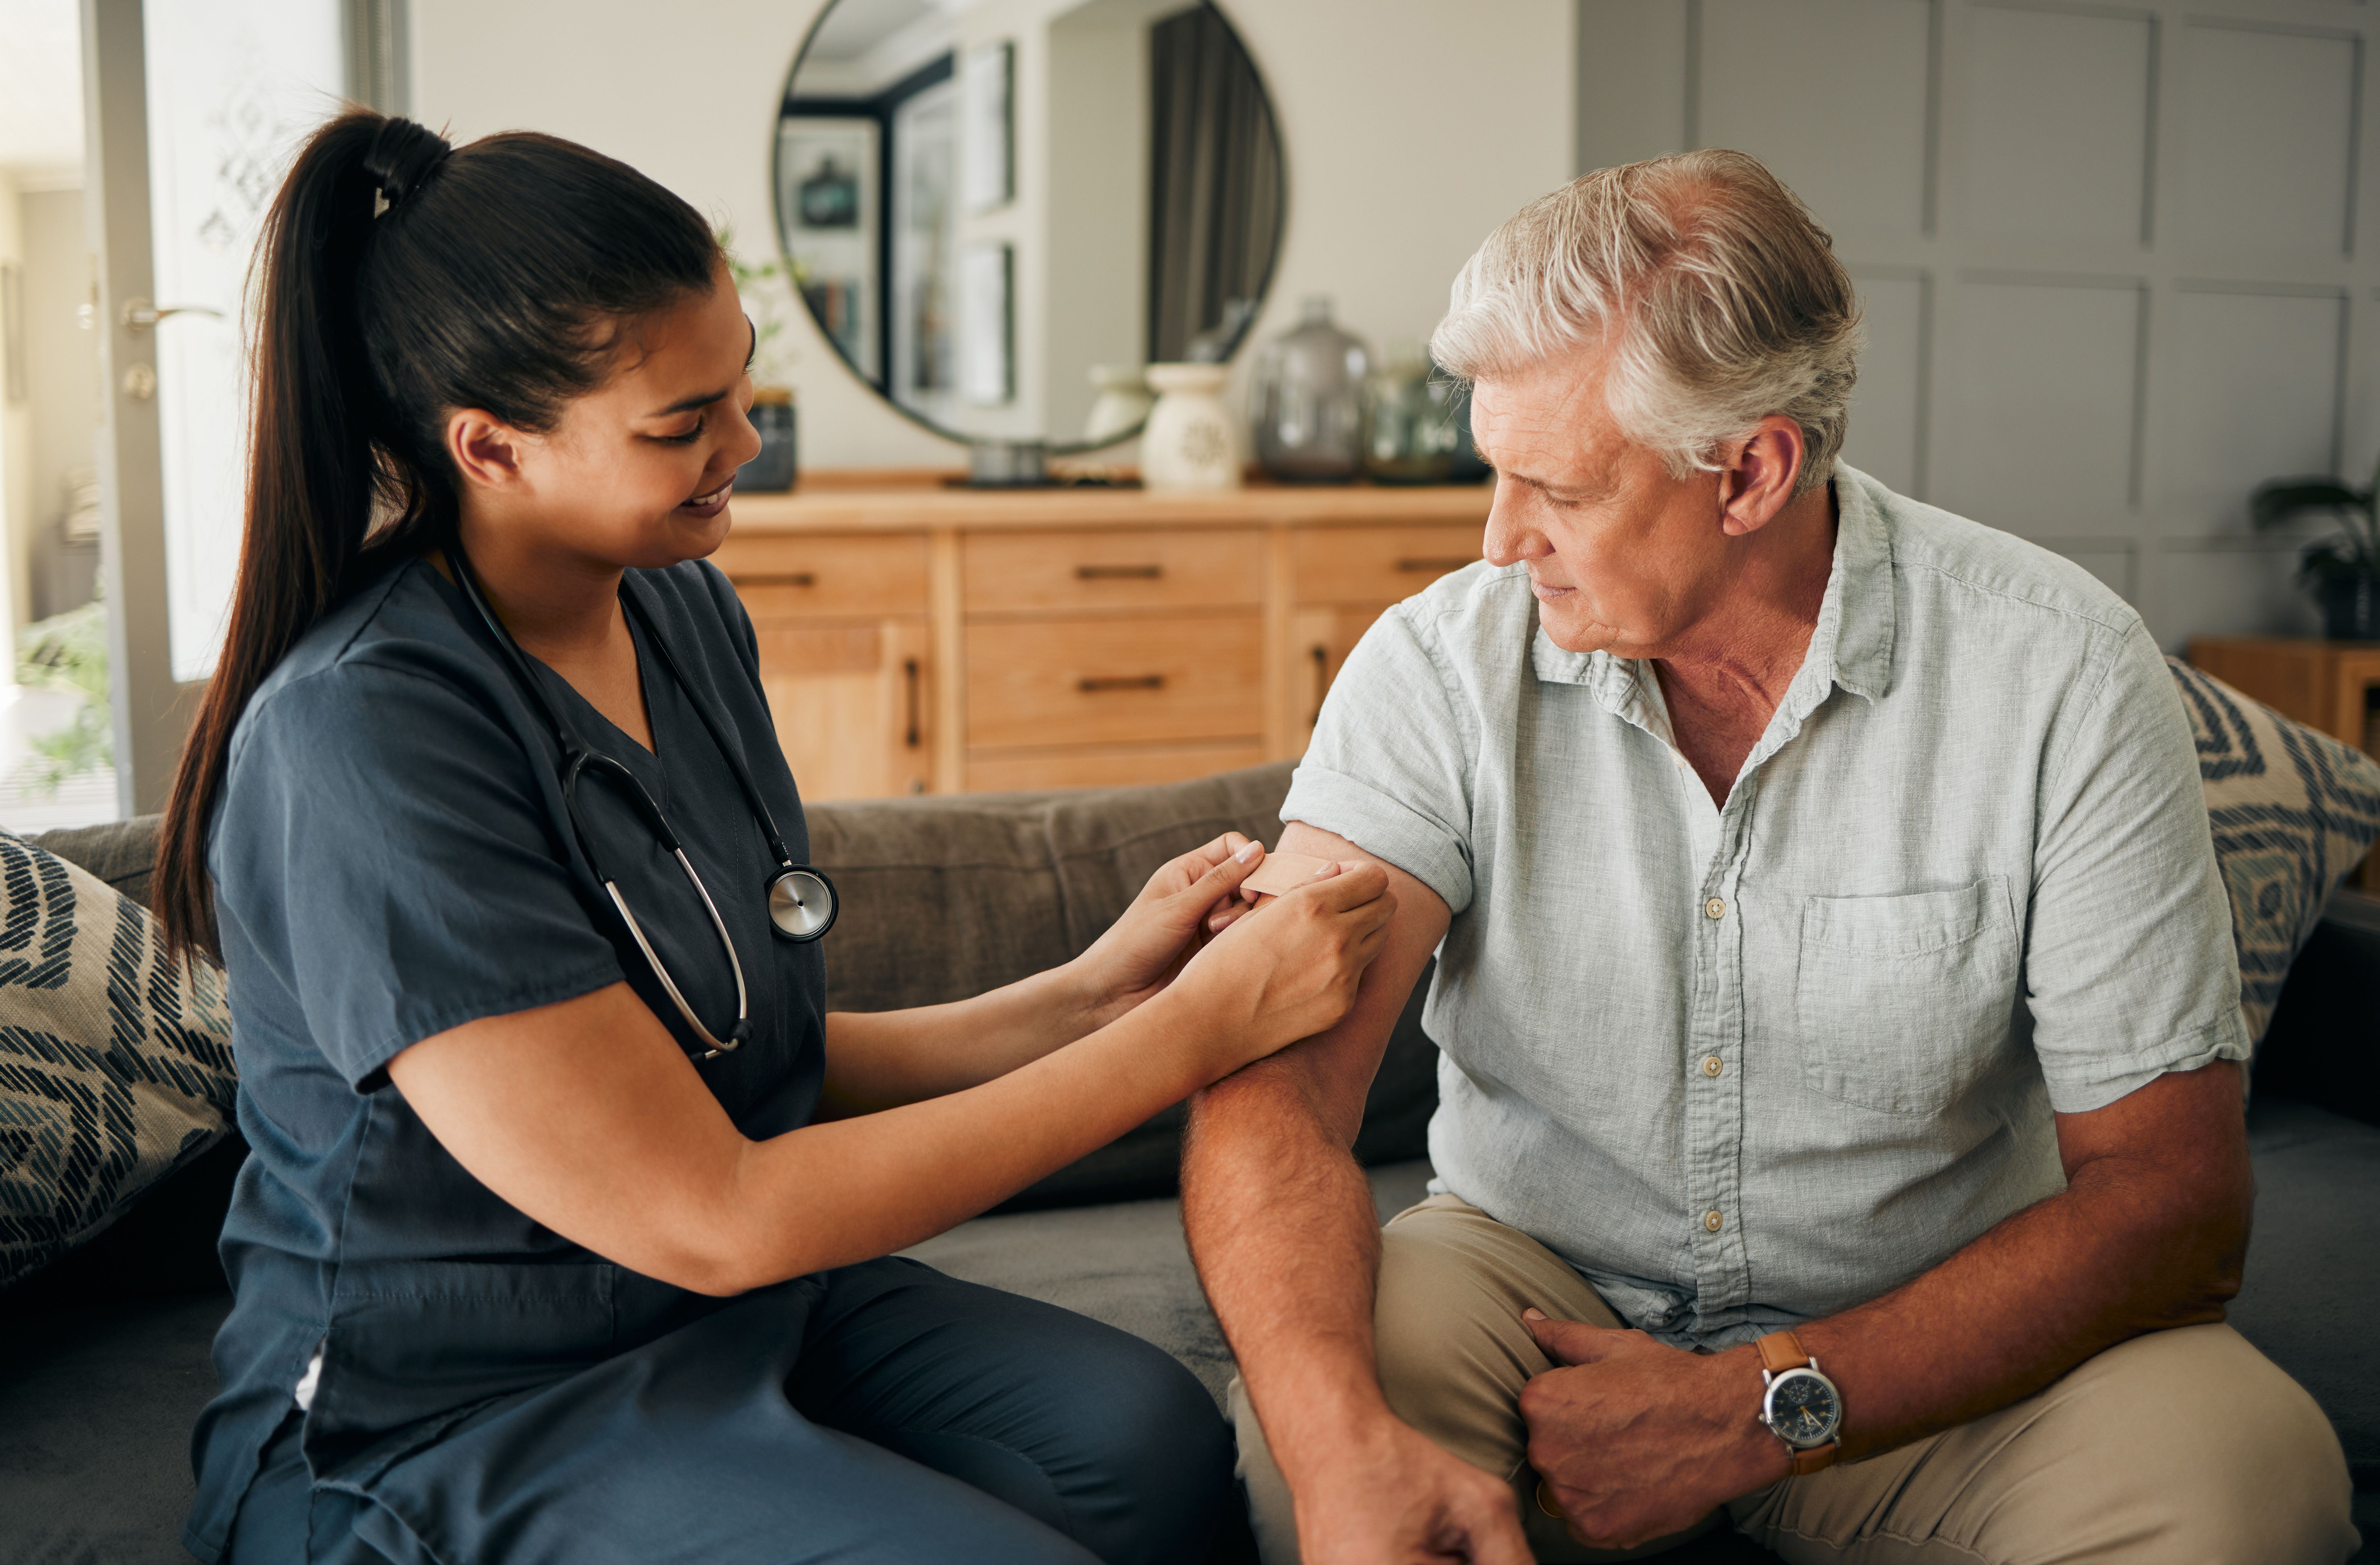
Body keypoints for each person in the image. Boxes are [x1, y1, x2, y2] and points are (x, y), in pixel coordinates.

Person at [158, 112, 1395, 1565]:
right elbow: (709, 1208)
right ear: (488, 447)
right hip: (448, 1415)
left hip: (719, 1315)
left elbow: (726, 1042)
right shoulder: (360, 742)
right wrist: (1186, 1036)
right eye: (681, 426)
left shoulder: (678, 608)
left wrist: (1090, 993)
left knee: (1155, 1449)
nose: (743, 446)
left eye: (739, 388)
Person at [1181, 149, 2361, 1565]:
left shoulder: (2060, 673)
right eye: (1493, 475)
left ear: (1746, 472)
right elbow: (1273, 1083)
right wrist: (1340, 1452)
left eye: (1550, 488)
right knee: (1322, 1427)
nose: (1499, 542)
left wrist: (1767, 1402)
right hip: (1529, 1290)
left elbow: (2170, 1204)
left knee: (2249, 1484)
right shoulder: (1436, 665)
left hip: (1924, 1334)